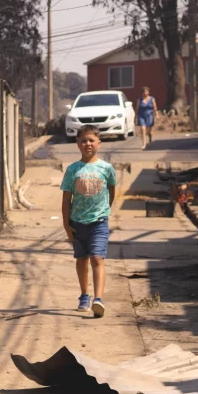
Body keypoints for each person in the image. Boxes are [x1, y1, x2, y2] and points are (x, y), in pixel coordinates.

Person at [60, 127, 117, 316]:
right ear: (77, 144)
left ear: (99, 143)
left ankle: (98, 299)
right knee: (81, 259)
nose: (88, 144)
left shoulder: (107, 168)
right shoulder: (73, 169)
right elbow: (67, 198)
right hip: (77, 223)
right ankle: (84, 294)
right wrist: (67, 225)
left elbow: (111, 192)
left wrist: (103, 211)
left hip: (99, 222)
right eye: (83, 141)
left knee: (97, 258)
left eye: (91, 140)